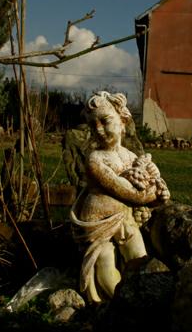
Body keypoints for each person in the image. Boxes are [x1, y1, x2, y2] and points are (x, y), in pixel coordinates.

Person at [70, 91, 169, 302]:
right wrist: (151, 191)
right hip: (97, 223)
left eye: (105, 121)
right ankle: (116, 303)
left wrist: (159, 195)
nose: (98, 129)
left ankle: (138, 297)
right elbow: (130, 193)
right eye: (92, 125)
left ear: (122, 121)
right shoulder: (95, 159)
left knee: (138, 255)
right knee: (104, 262)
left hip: (124, 218)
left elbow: (146, 193)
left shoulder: (132, 157)